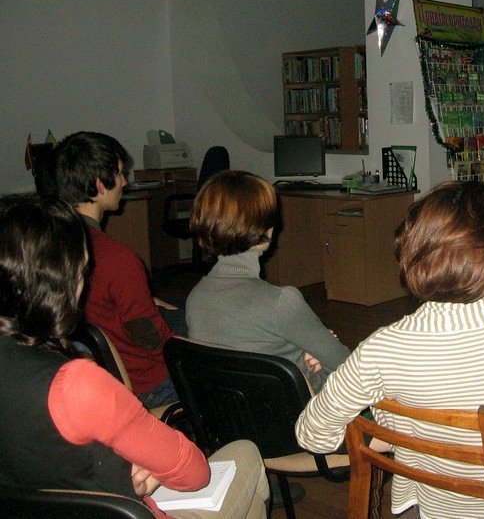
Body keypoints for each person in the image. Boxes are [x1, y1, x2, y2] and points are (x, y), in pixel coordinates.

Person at [295, 180, 484, 519]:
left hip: (437, 511)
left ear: (411, 254)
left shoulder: (381, 350)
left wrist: (389, 430)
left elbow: (313, 435)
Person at [0, 193, 269, 518]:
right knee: (246, 454)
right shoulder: (75, 384)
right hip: (124, 508)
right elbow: (195, 473)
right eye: (82, 272)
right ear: (59, 283)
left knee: (249, 503)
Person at [186, 170, 350, 392]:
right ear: (264, 227)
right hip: (297, 412)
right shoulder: (282, 302)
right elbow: (349, 370)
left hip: (224, 412)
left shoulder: (196, 298)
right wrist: (314, 366)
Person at [52, 131, 178, 409]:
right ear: (99, 186)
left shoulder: (48, 244)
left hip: (89, 374)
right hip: (146, 384)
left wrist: (143, 298)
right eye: (119, 174)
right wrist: (187, 345)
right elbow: (149, 338)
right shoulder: (117, 259)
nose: (124, 182)